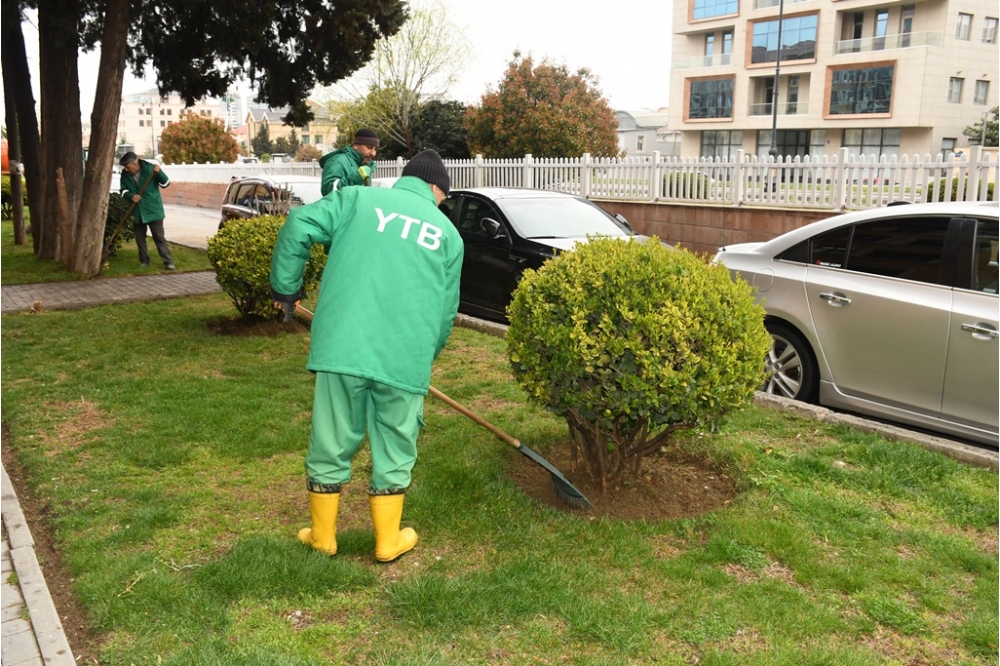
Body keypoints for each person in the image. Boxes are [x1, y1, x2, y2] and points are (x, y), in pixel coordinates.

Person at [270, 150, 463, 563]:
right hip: (405, 355)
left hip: (344, 346)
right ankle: (388, 541)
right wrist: (425, 356)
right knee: (396, 440)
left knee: (332, 435)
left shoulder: (356, 199)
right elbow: (446, 311)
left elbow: (299, 223)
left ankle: (322, 537)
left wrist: (286, 288)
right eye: (442, 197)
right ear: (435, 188)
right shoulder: (449, 235)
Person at [119, 152, 175, 269]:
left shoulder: (150, 169)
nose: (126, 169)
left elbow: (166, 183)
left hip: (153, 210)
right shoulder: (125, 174)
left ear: (135, 164)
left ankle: (168, 261)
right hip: (137, 211)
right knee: (140, 239)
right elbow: (123, 190)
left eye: (127, 167)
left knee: (159, 237)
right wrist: (130, 195)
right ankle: (144, 261)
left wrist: (159, 172)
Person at [319, 128, 380, 195]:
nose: (373, 153)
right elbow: (327, 191)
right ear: (356, 145)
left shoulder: (367, 165)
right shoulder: (338, 160)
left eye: (375, 149)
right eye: (369, 147)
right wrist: (355, 178)